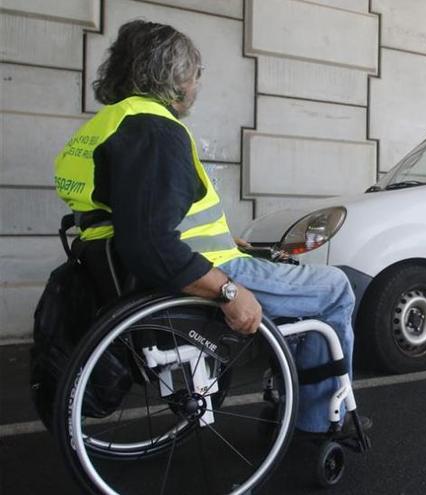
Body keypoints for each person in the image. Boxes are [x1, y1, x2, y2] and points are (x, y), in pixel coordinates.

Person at [53, 20, 362, 432]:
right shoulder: (156, 131)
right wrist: (228, 291)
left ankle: (291, 386)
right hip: (202, 272)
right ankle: (316, 418)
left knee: (294, 286)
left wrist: (226, 238)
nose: (197, 86)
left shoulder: (106, 125)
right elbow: (150, 242)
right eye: (196, 75)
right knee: (335, 287)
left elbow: (132, 213)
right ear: (175, 76)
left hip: (129, 271)